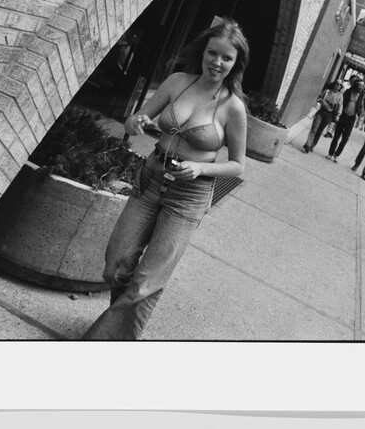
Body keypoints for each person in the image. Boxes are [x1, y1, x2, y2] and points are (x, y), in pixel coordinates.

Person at [82, 18, 249, 340]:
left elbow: (238, 166)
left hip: (189, 195)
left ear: (236, 63)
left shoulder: (234, 107)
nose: (217, 62)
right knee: (116, 266)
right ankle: (119, 333)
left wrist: (201, 169)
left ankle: (106, 344)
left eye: (226, 58)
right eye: (213, 53)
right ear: (203, 52)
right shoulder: (177, 82)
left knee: (148, 280)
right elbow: (133, 121)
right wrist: (137, 123)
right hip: (151, 178)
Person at [326, 77, 365, 162]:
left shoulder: (361, 95)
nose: (361, 87)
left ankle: (336, 155)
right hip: (343, 115)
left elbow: (361, 108)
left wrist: (359, 120)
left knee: (345, 138)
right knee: (336, 136)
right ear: (356, 85)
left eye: (362, 86)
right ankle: (330, 153)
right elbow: (341, 103)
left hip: (352, 118)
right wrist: (337, 114)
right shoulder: (348, 92)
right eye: (360, 85)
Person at [303, 79, 343, 153]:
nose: (338, 86)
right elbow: (319, 98)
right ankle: (307, 145)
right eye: (337, 84)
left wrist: (338, 114)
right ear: (334, 84)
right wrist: (322, 101)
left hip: (329, 115)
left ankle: (312, 146)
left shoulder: (340, 96)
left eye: (340, 85)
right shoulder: (327, 91)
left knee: (319, 131)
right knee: (314, 129)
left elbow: (340, 106)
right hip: (321, 112)